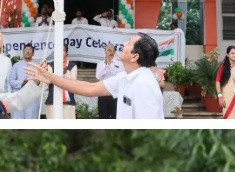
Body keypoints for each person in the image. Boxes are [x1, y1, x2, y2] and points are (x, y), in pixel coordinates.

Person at [27, 33, 164, 119]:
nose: (123, 44)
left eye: (128, 43)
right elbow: (90, 88)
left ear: (134, 56)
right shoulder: (124, 77)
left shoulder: (144, 85)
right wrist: (51, 77)